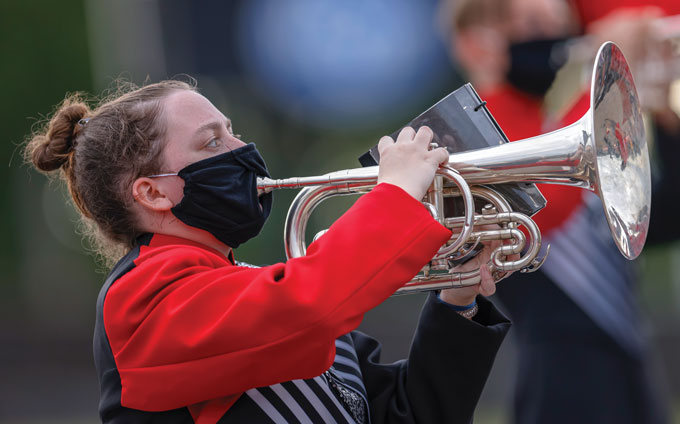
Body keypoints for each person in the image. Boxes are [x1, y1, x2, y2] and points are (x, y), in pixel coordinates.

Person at [24, 79, 512, 423]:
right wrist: (397, 198)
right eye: (212, 141)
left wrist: (457, 299)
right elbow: (306, 306)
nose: (243, 149)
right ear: (153, 193)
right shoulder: (140, 299)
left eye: (232, 129)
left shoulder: (259, 285)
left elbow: (410, 413)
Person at [442, 0, 680, 422]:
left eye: (560, 25)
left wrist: (667, 120)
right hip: (561, 386)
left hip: (630, 367)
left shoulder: (557, 132)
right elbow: (544, 208)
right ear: (475, 43)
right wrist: (614, 84)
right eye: (533, 24)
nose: (557, 40)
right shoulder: (464, 141)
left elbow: (664, 220)